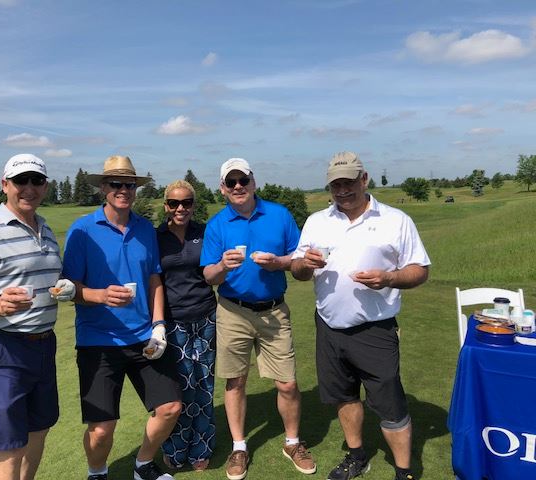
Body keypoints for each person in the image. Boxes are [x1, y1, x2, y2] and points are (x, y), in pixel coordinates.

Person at [291, 151, 430, 480]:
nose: (342, 190)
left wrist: (389, 278)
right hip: (329, 326)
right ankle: (357, 456)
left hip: (375, 329)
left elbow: (420, 269)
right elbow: (297, 269)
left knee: (390, 404)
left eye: (348, 182)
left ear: (364, 179)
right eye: (335, 185)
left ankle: (404, 471)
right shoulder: (317, 222)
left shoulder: (395, 220)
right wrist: (305, 264)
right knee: (344, 396)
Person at [0, 153, 76, 480]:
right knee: (9, 445)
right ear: (5, 184)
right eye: (21, 180)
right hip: (2, 347)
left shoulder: (45, 229)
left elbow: (48, 278)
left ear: (46, 186)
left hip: (43, 344)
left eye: (37, 180)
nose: (29, 188)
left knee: (39, 430)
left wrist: (63, 287)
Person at [62, 155, 182, 480]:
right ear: (103, 187)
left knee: (170, 408)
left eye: (129, 184)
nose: (123, 190)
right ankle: (97, 472)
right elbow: (68, 287)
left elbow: (154, 278)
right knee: (101, 429)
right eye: (116, 183)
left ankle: (143, 465)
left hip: (143, 337)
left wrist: (159, 326)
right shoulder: (82, 230)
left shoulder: (144, 229)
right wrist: (100, 295)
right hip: (97, 340)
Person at [201, 158, 317, 480]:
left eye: (243, 180)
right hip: (232, 311)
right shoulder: (217, 224)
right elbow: (209, 276)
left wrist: (278, 263)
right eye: (231, 182)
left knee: (288, 382)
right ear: (223, 189)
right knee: (235, 381)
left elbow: (298, 260)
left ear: (253, 182)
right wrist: (222, 266)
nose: (238, 186)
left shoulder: (279, 215)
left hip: (274, 310)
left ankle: (292, 443)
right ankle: (239, 447)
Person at [157, 180, 217, 472]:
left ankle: (201, 448)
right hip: (172, 322)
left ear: (193, 204)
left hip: (206, 317)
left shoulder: (205, 232)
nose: (180, 208)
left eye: (187, 202)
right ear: (165, 206)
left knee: (204, 384)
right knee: (181, 387)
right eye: (174, 203)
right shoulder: (155, 237)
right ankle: (176, 447)